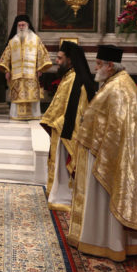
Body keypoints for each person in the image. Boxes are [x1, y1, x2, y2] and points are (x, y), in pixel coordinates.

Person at [67, 45, 137, 261]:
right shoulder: (118, 82)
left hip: (106, 153)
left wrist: (102, 150)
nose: (95, 68)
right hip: (102, 149)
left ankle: (104, 241)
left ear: (110, 66)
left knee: (103, 199)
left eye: (99, 64)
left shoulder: (118, 88)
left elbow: (116, 129)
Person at [40, 41, 95, 211]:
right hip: (61, 128)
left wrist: (59, 124)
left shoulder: (76, 79)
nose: (56, 61)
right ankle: (58, 194)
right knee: (58, 166)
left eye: (59, 58)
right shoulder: (69, 77)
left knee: (64, 166)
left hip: (68, 130)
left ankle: (65, 198)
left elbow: (80, 109)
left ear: (70, 60)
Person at [0, 14, 52, 120]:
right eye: (19, 25)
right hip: (16, 74)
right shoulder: (13, 41)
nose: (21, 27)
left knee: (31, 94)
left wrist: (40, 68)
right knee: (17, 94)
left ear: (28, 25)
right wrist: (7, 70)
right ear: (17, 26)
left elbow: (41, 54)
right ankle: (16, 115)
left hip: (32, 74)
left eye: (23, 25)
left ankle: (33, 115)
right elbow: (6, 56)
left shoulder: (35, 39)